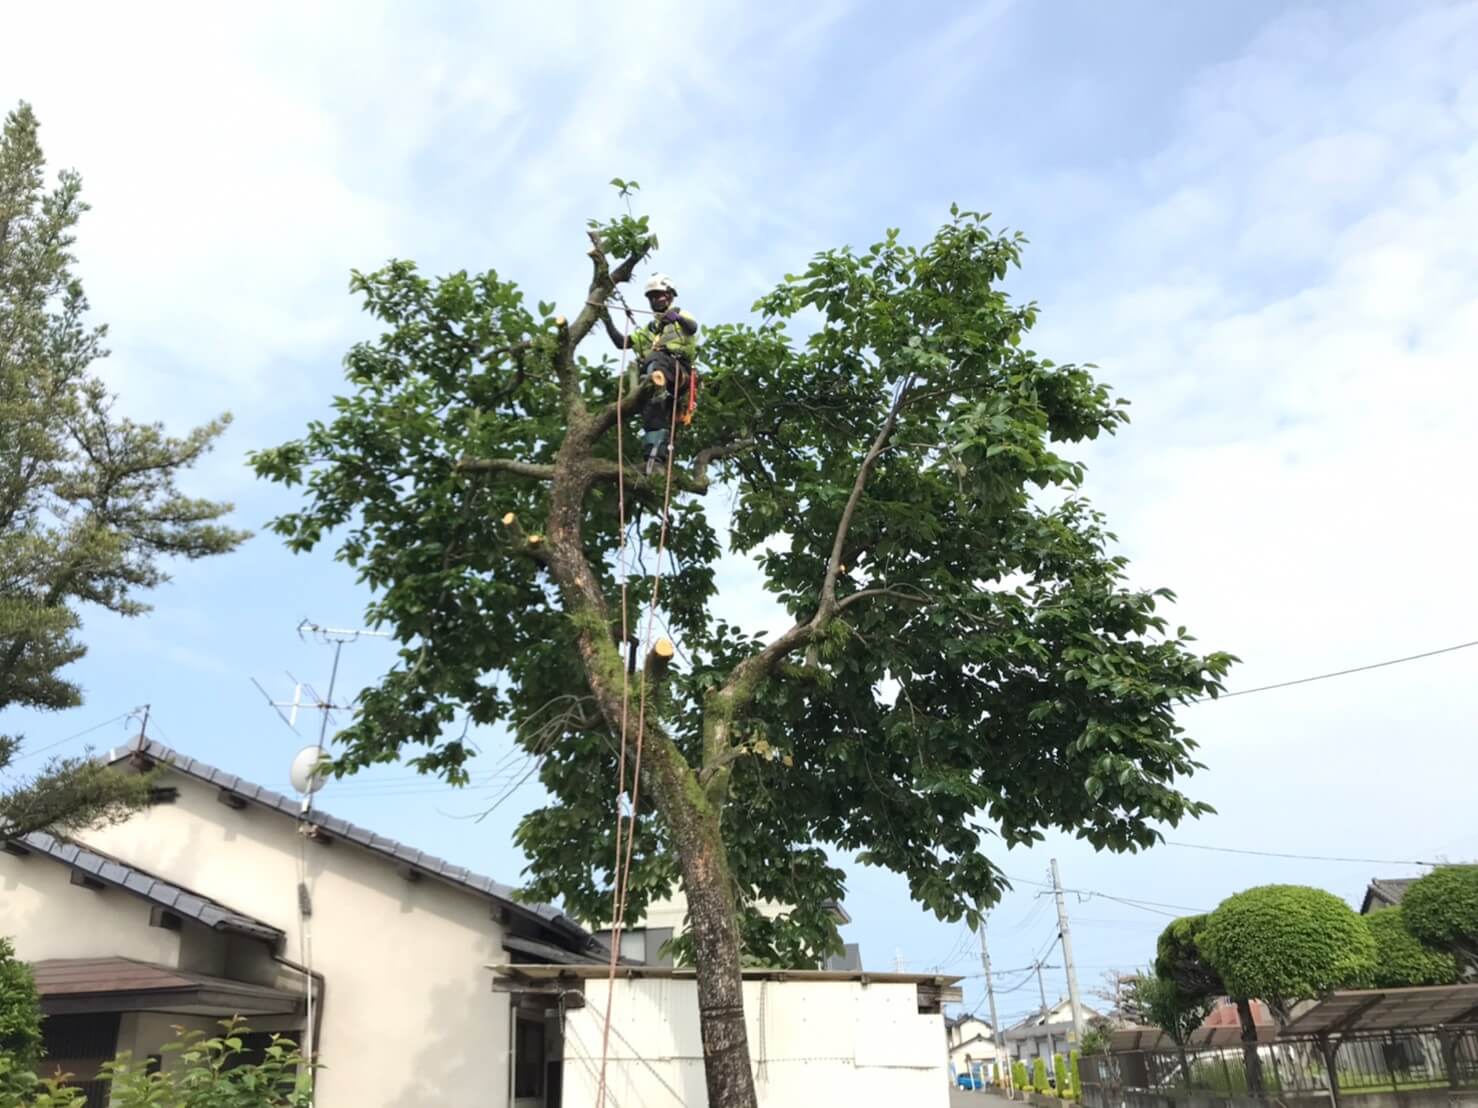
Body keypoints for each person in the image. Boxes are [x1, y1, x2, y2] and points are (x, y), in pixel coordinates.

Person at [628, 274, 698, 474]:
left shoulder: (680, 314)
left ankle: (655, 385)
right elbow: (622, 342)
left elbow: (692, 328)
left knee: (655, 358)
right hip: (660, 372)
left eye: (659, 296)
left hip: (678, 369)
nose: (655, 300)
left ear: (669, 296)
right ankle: (655, 458)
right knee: (652, 413)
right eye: (652, 297)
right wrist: (605, 318)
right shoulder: (651, 330)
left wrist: (676, 318)